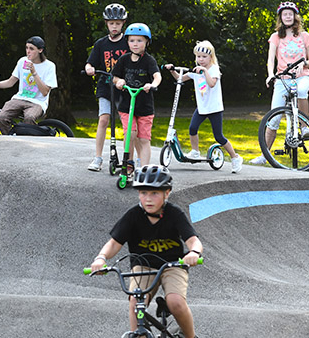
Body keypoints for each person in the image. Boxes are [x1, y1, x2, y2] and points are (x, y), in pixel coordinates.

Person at [89, 165, 204, 338]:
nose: (148, 199)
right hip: (143, 265)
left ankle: (190, 336)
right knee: (135, 302)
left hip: (172, 265)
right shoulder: (133, 215)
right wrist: (101, 258)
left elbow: (193, 240)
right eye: (143, 193)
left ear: (167, 193)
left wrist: (194, 253)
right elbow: (114, 243)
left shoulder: (174, 214)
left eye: (154, 193)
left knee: (176, 302)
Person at [250, 1, 309, 165]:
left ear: (295, 16)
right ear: (281, 17)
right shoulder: (275, 37)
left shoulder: (305, 36)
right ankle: (264, 155)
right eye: (284, 14)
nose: (288, 16)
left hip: (302, 76)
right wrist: (270, 75)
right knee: (273, 118)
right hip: (282, 79)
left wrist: (305, 64)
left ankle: (305, 126)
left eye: (290, 13)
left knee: (301, 92)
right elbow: (270, 59)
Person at [164, 41, 244, 173]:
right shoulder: (195, 70)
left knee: (219, 136)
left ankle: (235, 157)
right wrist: (172, 70)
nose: (201, 59)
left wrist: (205, 71)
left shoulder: (213, 69)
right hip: (202, 107)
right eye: (198, 56)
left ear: (211, 57)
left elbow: (212, 83)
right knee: (192, 128)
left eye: (204, 57)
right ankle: (195, 151)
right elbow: (180, 78)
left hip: (214, 108)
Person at [85, 4, 131, 171]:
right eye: (111, 23)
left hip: (125, 89)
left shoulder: (128, 42)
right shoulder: (101, 44)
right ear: (106, 23)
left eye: (117, 23)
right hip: (106, 87)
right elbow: (91, 62)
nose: (114, 26)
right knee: (103, 119)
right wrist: (89, 67)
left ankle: (130, 160)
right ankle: (97, 158)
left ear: (123, 23)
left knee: (128, 125)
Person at [110, 23, 162, 169]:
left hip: (144, 106)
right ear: (127, 42)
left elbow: (157, 76)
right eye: (132, 40)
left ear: (147, 42)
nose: (135, 44)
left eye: (139, 41)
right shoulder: (124, 59)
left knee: (144, 139)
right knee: (131, 134)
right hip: (126, 105)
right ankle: (129, 164)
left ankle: (144, 169)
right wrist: (119, 81)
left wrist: (153, 84)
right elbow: (114, 77)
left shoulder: (149, 60)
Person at [0, 36, 57, 134]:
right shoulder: (22, 61)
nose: (28, 51)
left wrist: (34, 72)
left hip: (37, 102)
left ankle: (28, 144)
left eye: (31, 49)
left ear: (40, 50)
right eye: (26, 48)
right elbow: (10, 82)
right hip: (19, 98)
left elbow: (45, 92)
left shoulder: (49, 66)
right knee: (1, 118)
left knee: (29, 118)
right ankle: (12, 139)